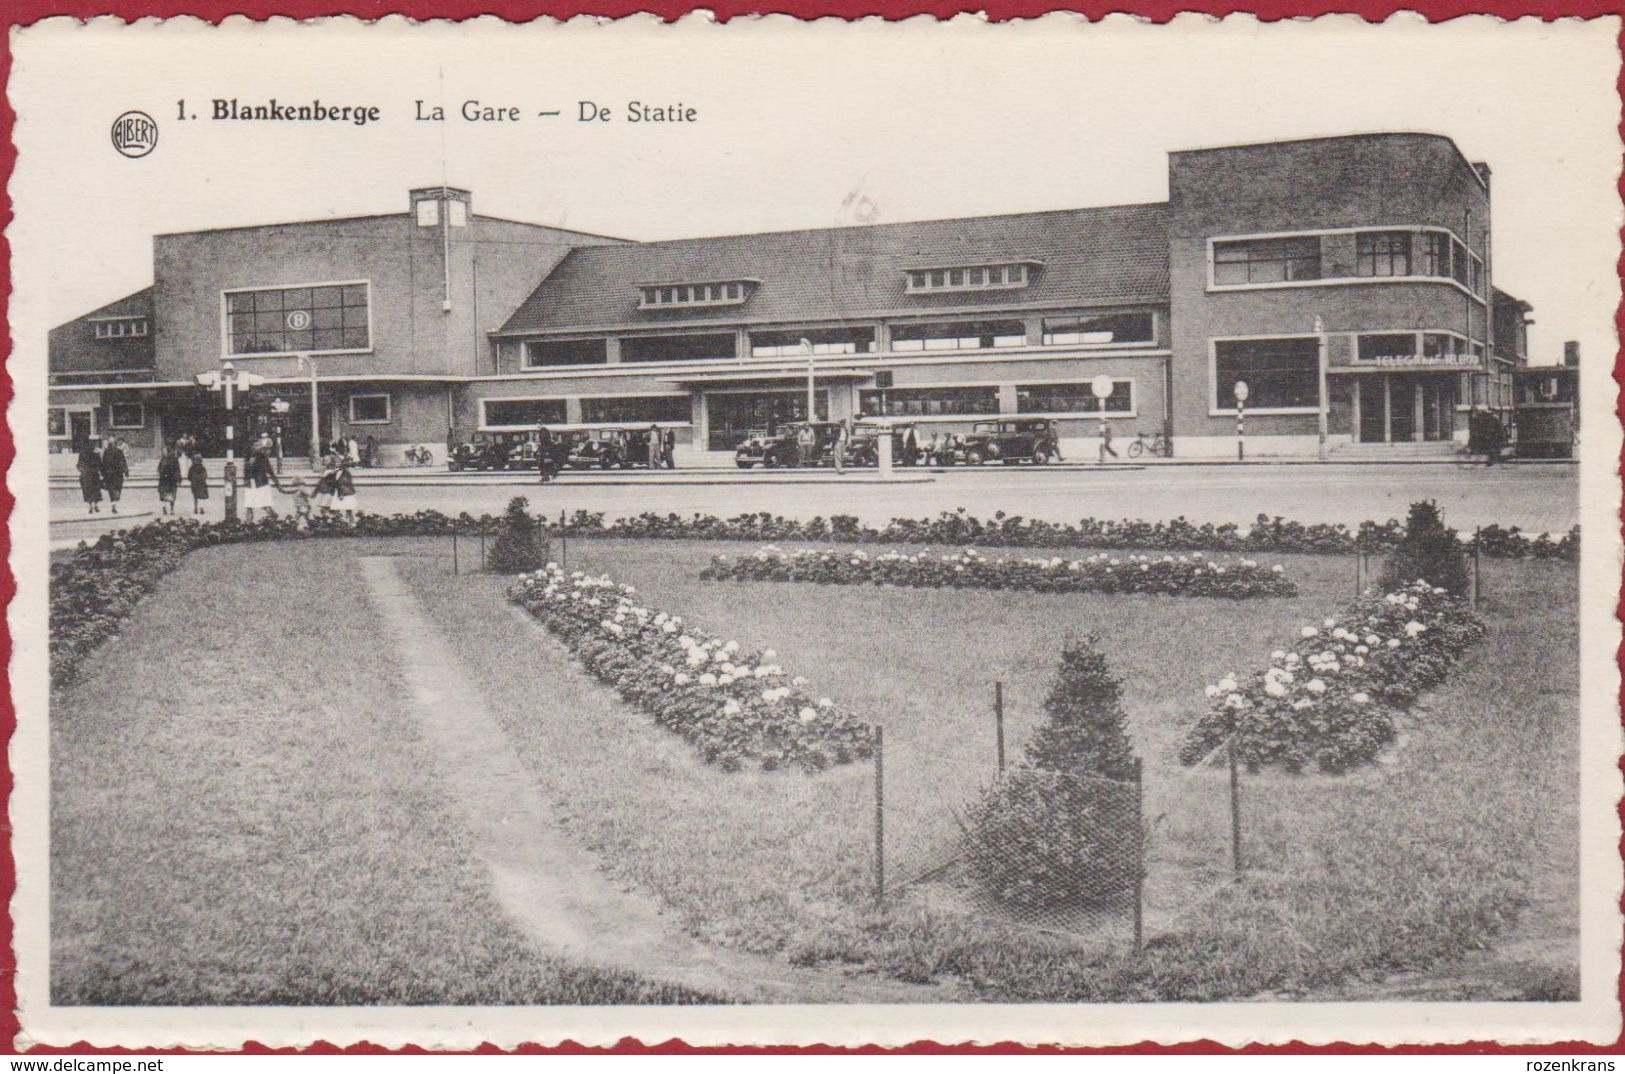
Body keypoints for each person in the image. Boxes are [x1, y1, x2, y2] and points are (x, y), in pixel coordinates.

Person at [242, 440, 277, 522]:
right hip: (254, 483)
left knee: (262, 504)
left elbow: (269, 470)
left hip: (259, 483)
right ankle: (249, 522)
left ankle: (272, 515)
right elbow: (246, 471)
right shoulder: (250, 458)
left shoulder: (261, 458)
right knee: (250, 505)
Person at [99, 437, 129, 513]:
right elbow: (123, 462)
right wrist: (126, 471)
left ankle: (114, 502)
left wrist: (102, 472)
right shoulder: (117, 451)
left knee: (112, 490)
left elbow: (103, 463)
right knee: (115, 489)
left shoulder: (110, 452)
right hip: (116, 474)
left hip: (110, 474)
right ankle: (114, 504)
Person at [77, 441, 104, 514]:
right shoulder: (96, 455)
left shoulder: (82, 455)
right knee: (95, 490)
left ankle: (90, 506)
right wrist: (101, 474)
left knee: (87, 491)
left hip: (86, 476)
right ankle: (95, 505)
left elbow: (79, 465)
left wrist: (83, 471)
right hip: (94, 475)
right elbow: (101, 465)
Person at [156, 446, 182, 516]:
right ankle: (171, 509)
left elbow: (158, 470)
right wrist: (179, 479)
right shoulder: (174, 460)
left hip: (164, 479)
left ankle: (164, 507)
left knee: (163, 493)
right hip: (172, 480)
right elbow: (178, 470)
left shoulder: (163, 460)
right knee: (172, 494)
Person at [332, 456, 359, 522]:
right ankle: (338, 521)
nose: (337, 464)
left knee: (348, 508)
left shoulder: (346, 472)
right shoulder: (335, 471)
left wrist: (342, 493)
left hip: (345, 492)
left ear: (342, 463)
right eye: (335, 462)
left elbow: (345, 483)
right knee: (336, 508)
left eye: (338, 462)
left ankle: (351, 521)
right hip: (338, 491)